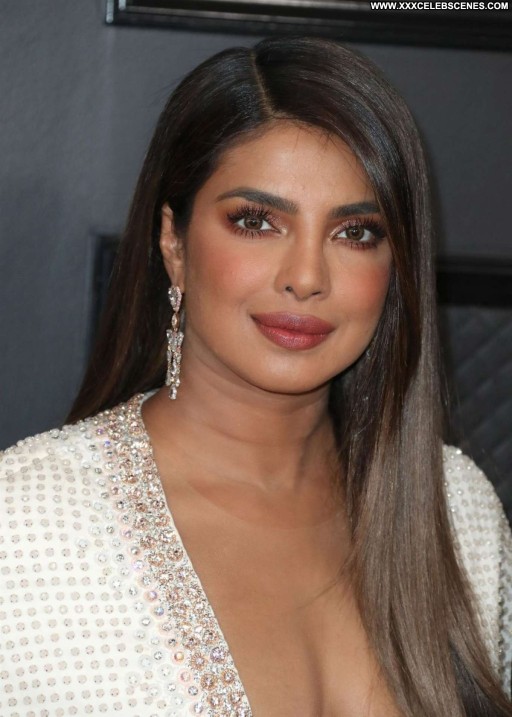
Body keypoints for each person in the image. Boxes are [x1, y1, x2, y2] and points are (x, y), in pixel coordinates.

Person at [0, 36, 511, 717]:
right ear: (173, 244)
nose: (306, 276)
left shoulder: (459, 512)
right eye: (256, 221)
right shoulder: (26, 527)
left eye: (356, 232)